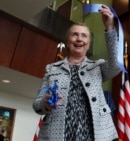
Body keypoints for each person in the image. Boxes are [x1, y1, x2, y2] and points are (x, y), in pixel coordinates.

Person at [33, 4, 121, 141]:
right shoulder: (51, 69)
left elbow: (115, 66)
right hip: (57, 135)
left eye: (84, 36)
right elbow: (37, 105)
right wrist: (45, 103)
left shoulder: (97, 67)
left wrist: (109, 28)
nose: (79, 39)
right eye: (75, 35)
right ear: (68, 42)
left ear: (88, 43)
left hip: (93, 135)